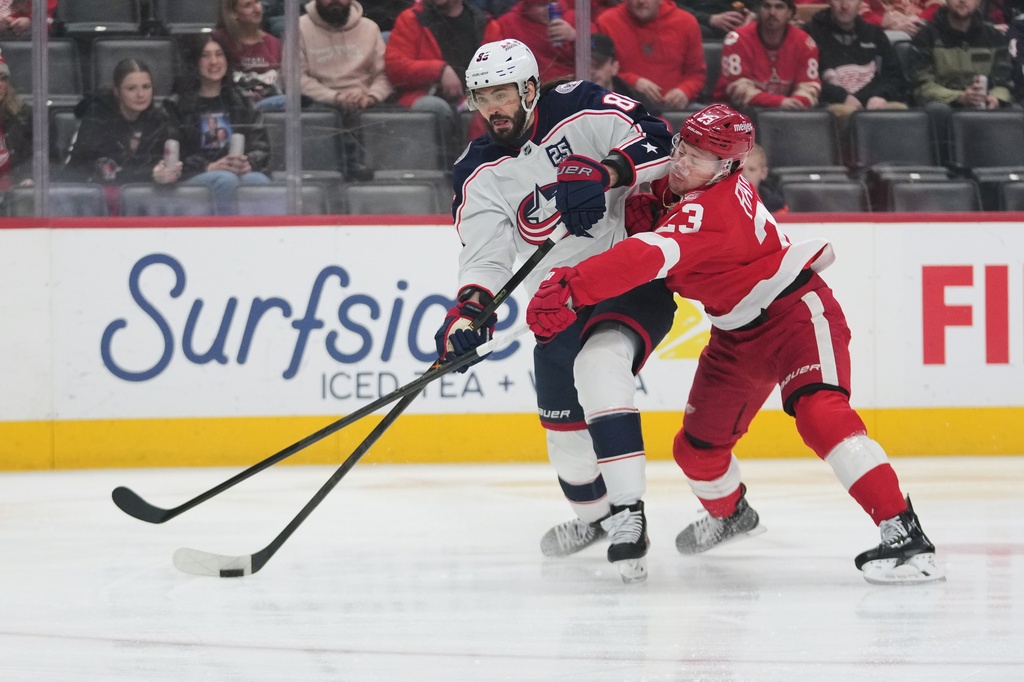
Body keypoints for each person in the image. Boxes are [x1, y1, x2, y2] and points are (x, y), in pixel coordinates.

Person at [526, 103, 945, 586]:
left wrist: (573, 286)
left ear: (729, 167)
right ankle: (732, 515)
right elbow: (646, 171)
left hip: (797, 314)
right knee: (697, 451)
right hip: (735, 335)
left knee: (819, 413)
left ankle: (904, 532)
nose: (682, 163)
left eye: (699, 158)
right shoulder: (685, 180)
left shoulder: (714, 209)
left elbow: (649, 255)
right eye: (683, 150)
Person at [436, 39, 675, 583]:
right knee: (565, 440)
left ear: (527, 89)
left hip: (627, 275)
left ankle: (630, 515)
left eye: (500, 94)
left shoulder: (581, 106)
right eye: (481, 97)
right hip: (558, 302)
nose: (491, 108)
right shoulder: (477, 170)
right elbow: (485, 256)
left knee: (603, 369)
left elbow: (662, 143)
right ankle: (595, 518)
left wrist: (608, 172)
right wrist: (468, 314)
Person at [165, 35, 271, 215]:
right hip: (193, 177)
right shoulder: (176, 104)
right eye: (205, 56)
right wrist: (208, 168)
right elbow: (173, 155)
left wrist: (249, 163)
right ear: (195, 62)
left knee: (258, 181)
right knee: (225, 180)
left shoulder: (243, 99)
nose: (213, 61)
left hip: (235, 174)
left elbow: (261, 146)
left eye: (219, 54)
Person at [385, 0, 503, 162]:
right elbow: (395, 68)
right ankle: (445, 171)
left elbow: (499, 73)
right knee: (434, 108)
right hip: (423, 96)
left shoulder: (486, 24)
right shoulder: (411, 19)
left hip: (470, 99)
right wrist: (439, 71)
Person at [910, 0, 1015, 159]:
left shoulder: (994, 37)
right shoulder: (926, 37)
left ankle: (1012, 174)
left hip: (985, 104)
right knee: (937, 110)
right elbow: (921, 87)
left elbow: (1004, 82)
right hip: (946, 105)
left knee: (1016, 111)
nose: (962, 0)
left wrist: (997, 98)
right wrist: (959, 97)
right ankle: (945, 169)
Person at [62, 59, 181, 195]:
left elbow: (159, 164)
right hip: (90, 197)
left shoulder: (159, 121)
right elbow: (102, 173)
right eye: (131, 88)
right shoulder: (97, 118)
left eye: (146, 87)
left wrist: (169, 171)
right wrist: (152, 174)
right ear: (117, 91)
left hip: (140, 199)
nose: (141, 95)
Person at [803, 0, 909, 137]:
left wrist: (881, 95)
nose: (844, 5)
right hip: (831, 105)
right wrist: (841, 97)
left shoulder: (875, 33)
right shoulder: (811, 32)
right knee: (848, 114)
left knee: (899, 111)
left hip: (873, 104)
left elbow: (895, 77)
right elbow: (806, 80)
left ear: (860, 2)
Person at [595, 0, 707, 111]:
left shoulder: (686, 22)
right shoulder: (606, 22)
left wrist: (685, 91)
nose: (641, 1)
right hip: (625, 106)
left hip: (675, 107)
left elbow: (696, 74)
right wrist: (632, 82)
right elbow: (597, 72)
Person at [714, 0, 822, 111]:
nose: (772, 12)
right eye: (766, 6)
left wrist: (798, 102)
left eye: (779, 7)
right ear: (759, 10)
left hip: (789, 112)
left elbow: (809, 85)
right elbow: (737, 88)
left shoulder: (805, 43)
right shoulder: (737, 40)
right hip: (735, 112)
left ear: (790, 13)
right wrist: (780, 102)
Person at [298, 0, 393, 113]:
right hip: (317, 106)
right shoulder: (299, 28)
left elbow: (384, 74)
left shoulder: (370, 28)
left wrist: (371, 97)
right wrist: (335, 97)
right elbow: (295, 78)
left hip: (367, 107)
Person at [215, 0, 287, 112]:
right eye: (248, 5)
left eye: (257, 2)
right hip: (233, 106)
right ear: (233, 13)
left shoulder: (274, 43)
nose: (257, 9)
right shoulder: (220, 40)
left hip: (271, 107)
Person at [498, 0, 584, 81]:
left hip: (573, 84)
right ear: (527, 6)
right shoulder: (507, 23)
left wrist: (575, 37)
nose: (549, 9)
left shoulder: (574, 17)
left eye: (553, 2)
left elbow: (595, 50)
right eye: (542, 5)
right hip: (530, 87)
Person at [589, 33, 663, 116]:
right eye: (585, 65)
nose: (591, 71)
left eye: (598, 65)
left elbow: (658, 123)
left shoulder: (636, 102)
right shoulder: (573, 99)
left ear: (614, 67)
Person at [0, 53, 31, 190]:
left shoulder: (23, 116)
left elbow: (46, 156)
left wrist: (30, 177)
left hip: (16, 191)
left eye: (3, 79)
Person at [741, 143, 787, 213]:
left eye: (752, 169)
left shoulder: (775, 205)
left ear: (763, 173)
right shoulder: (721, 203)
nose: (745, 174)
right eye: (739, 170)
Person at [679, 0, 758, 40]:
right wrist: (709, 19)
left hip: (739, 22)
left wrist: (753, 15)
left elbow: (759, 4)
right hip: (701, 22)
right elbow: (675, 5)